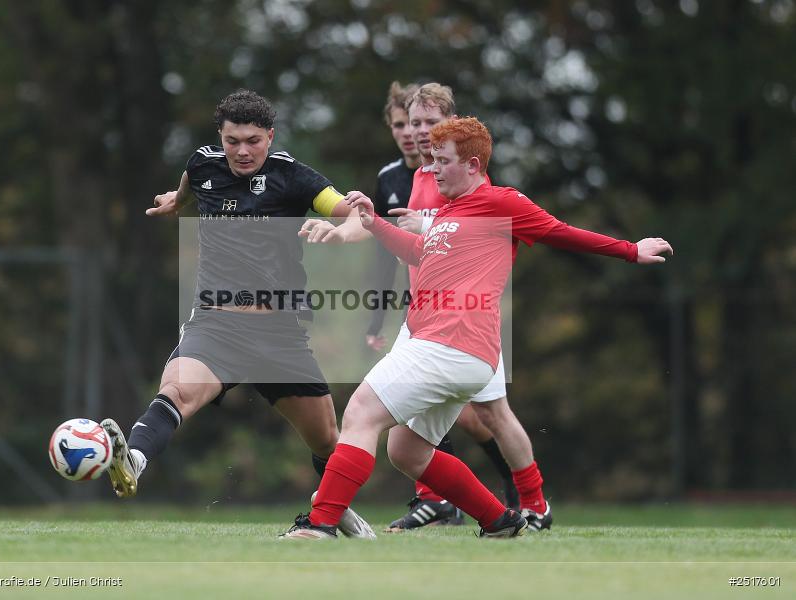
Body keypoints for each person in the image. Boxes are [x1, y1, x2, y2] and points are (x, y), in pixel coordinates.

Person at [281, 116, 672, 539]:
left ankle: (320, 524)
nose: (431, 169)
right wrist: (374, 223)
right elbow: (418, 252)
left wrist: (632, 250)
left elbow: (562, 232)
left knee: (360, 413)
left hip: (447, 344)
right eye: (430, 160)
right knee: (407, 451)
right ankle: (499, 520)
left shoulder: (503, 203)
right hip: (463, 355)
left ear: (472, 165)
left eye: (441, 161)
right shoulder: (451, 211)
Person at [98, 89, 374, 538]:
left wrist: (341, 233)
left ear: (270, 136)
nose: (242, 151)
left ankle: (335, 508)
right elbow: (191, 183)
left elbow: (361, 217)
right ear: (220, 137)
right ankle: (133, 459)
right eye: (232, 141)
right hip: (217, 324)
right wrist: (176, 201)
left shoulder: (295, 177)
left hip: (279, 332)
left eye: (252, 141)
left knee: (326, 438)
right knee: (177, 392)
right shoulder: (204, 163)